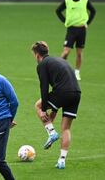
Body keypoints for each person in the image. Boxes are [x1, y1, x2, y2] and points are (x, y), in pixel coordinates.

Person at [31, 41, 81, 169]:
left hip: (63, 92)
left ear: (37, 55)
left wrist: (43, 109)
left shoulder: (42, 64)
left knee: (37, 105)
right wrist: (53, 110)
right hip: (76, 93)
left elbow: (44, 87)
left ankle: (51, 133)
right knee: (66, 128)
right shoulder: (59, 60)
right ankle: (62, 160)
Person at [56, 0, 96, 81]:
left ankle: (77, 72)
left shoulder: (85, 1)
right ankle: (59, 69)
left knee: (79, 53)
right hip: (71, 29)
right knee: (66, 52)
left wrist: (88, 23)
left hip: (82, 30)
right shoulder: (67, 1)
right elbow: (58, 11)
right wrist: (65, 21)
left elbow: (93, 11)